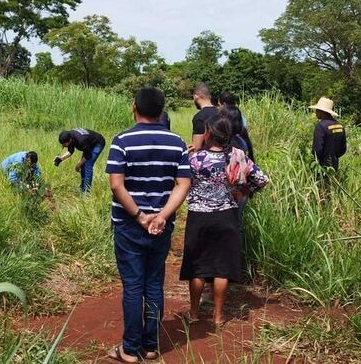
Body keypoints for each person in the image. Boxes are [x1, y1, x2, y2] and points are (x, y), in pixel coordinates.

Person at [105, 87, 191, 363]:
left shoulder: (122, 141)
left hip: (130, 224)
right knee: (154, 284)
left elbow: (117, 185)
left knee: (133, 286)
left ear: (134, 108)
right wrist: (162, 216)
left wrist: (141, 216)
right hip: (161, 225)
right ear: (161, 110)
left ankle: (130, 349)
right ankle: (151, 346)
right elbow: (183, 185)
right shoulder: (177, 143)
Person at [181, 114, 268, 326]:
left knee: (197, 267)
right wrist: (242, 191)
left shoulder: (195, 159)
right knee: (222, 268)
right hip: (226, 216)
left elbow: (180, 182)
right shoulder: (238, 156)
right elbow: (262, 179)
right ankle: (218, 316)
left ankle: (193, 313)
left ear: (208, 133)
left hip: (198, 216)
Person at [54, 128, 105, 193]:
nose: (63, 145)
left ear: (69, 140)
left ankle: (86, 193)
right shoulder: (70, 136)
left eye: (64, 144)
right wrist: (61, 158)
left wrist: (78, 165)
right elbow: (70, 151)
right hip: (88, 145)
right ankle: (82, 188)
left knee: (87, 165)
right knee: (83, 165)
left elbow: (88, 156)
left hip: (97, 143)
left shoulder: (81, 140)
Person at [309, 97, 347, 170]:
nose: (315, 111)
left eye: (317, 110)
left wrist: (314, 163)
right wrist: (333, 157)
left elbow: (317, 150)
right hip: (334, 166)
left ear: (322, 111)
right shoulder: (340, 126)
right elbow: (343, 149)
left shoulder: (321, 126)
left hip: (321, 168)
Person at [190, 83, 216, 152]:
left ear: (196, 97)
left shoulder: (199, 117)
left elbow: (196, 147)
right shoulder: (222, 112)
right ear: (209, 97)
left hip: (207, 158)